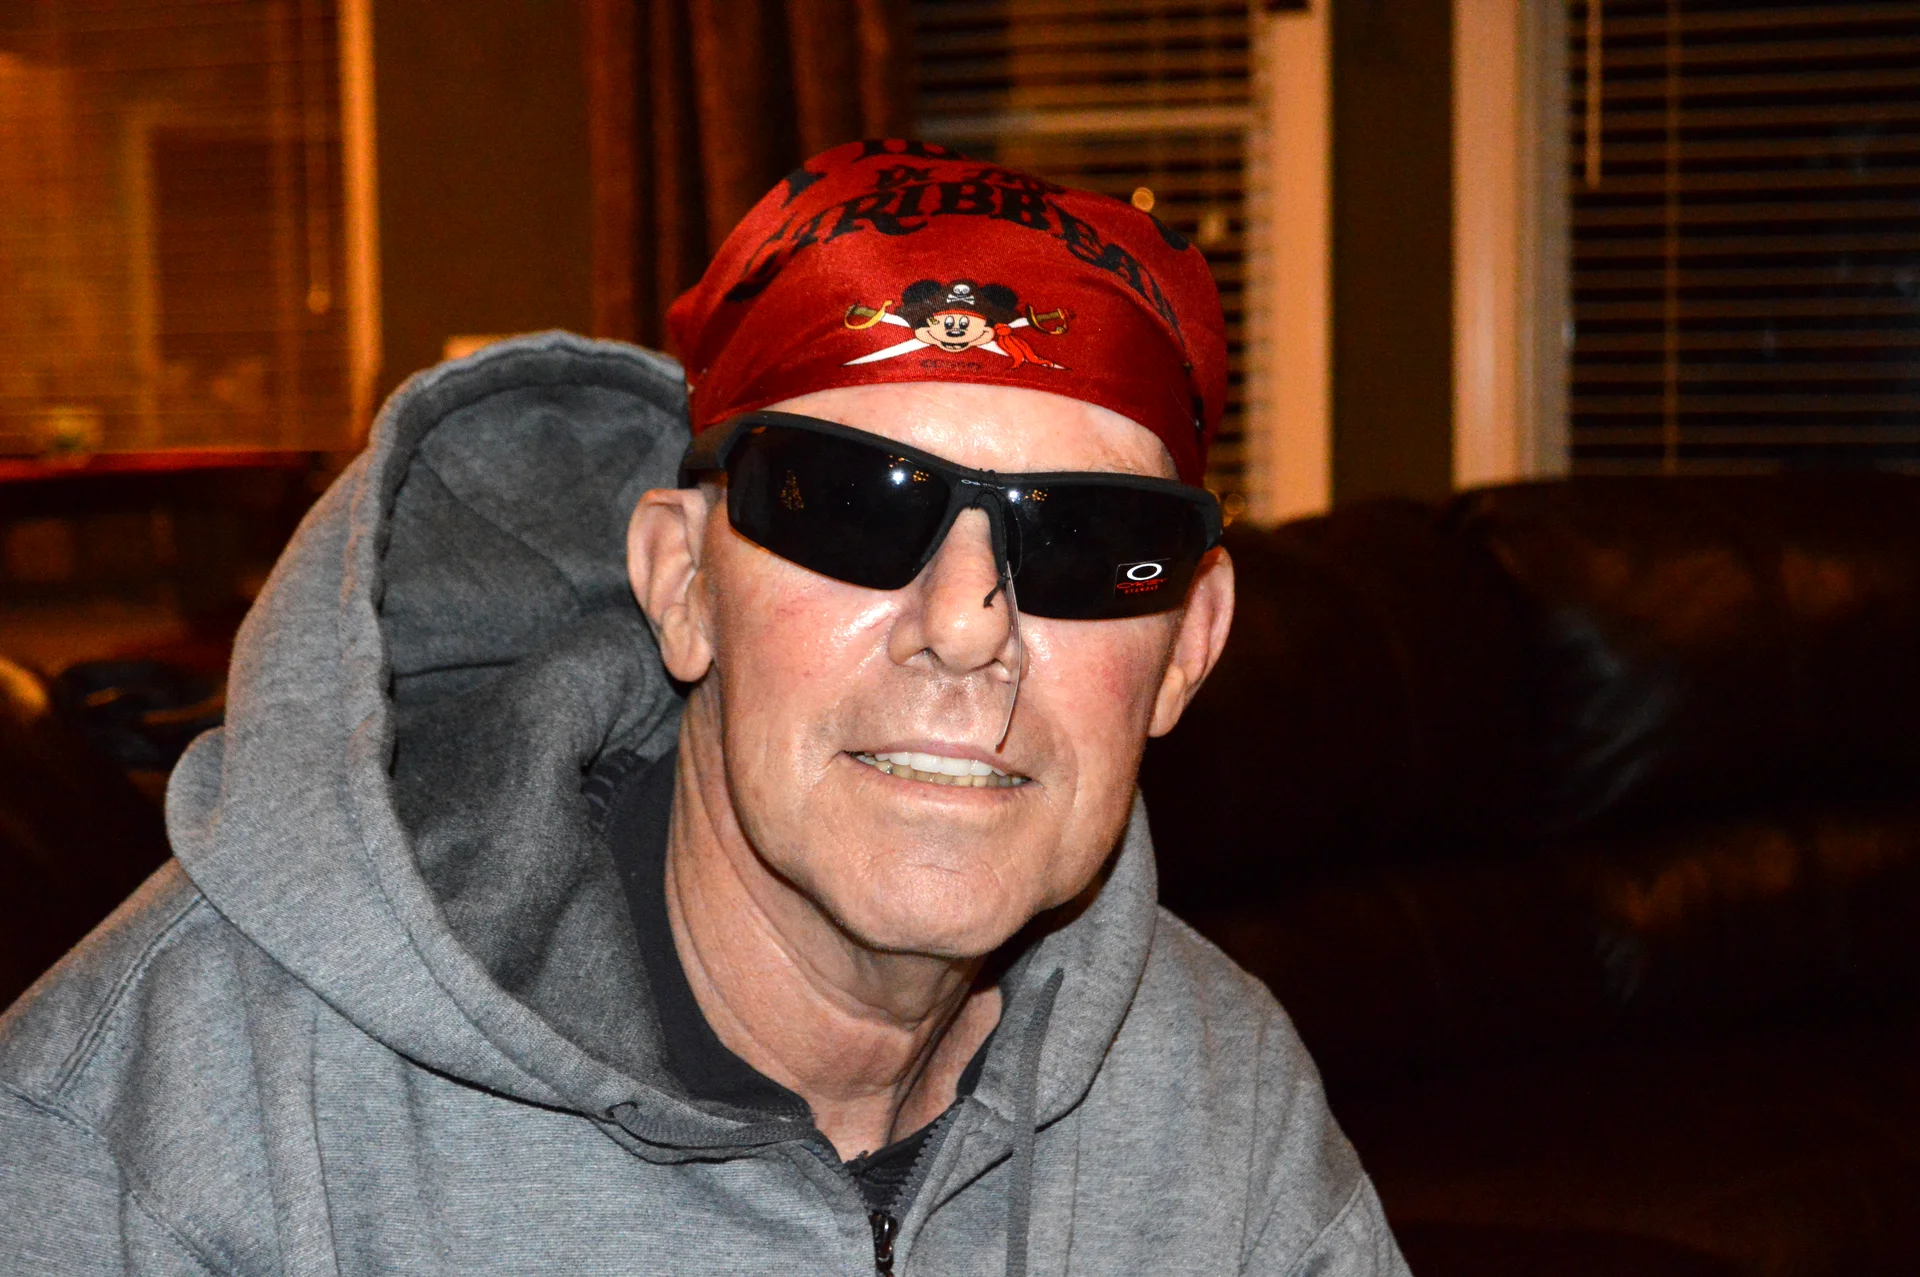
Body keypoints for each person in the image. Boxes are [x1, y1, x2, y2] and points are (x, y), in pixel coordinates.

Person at [0, 140, 1409, 1275]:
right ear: (682, 583)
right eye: (851, 506)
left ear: (1189, 645)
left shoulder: (1218, 1096)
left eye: (1090, 541)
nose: (966, 625)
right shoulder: (172, 1117)